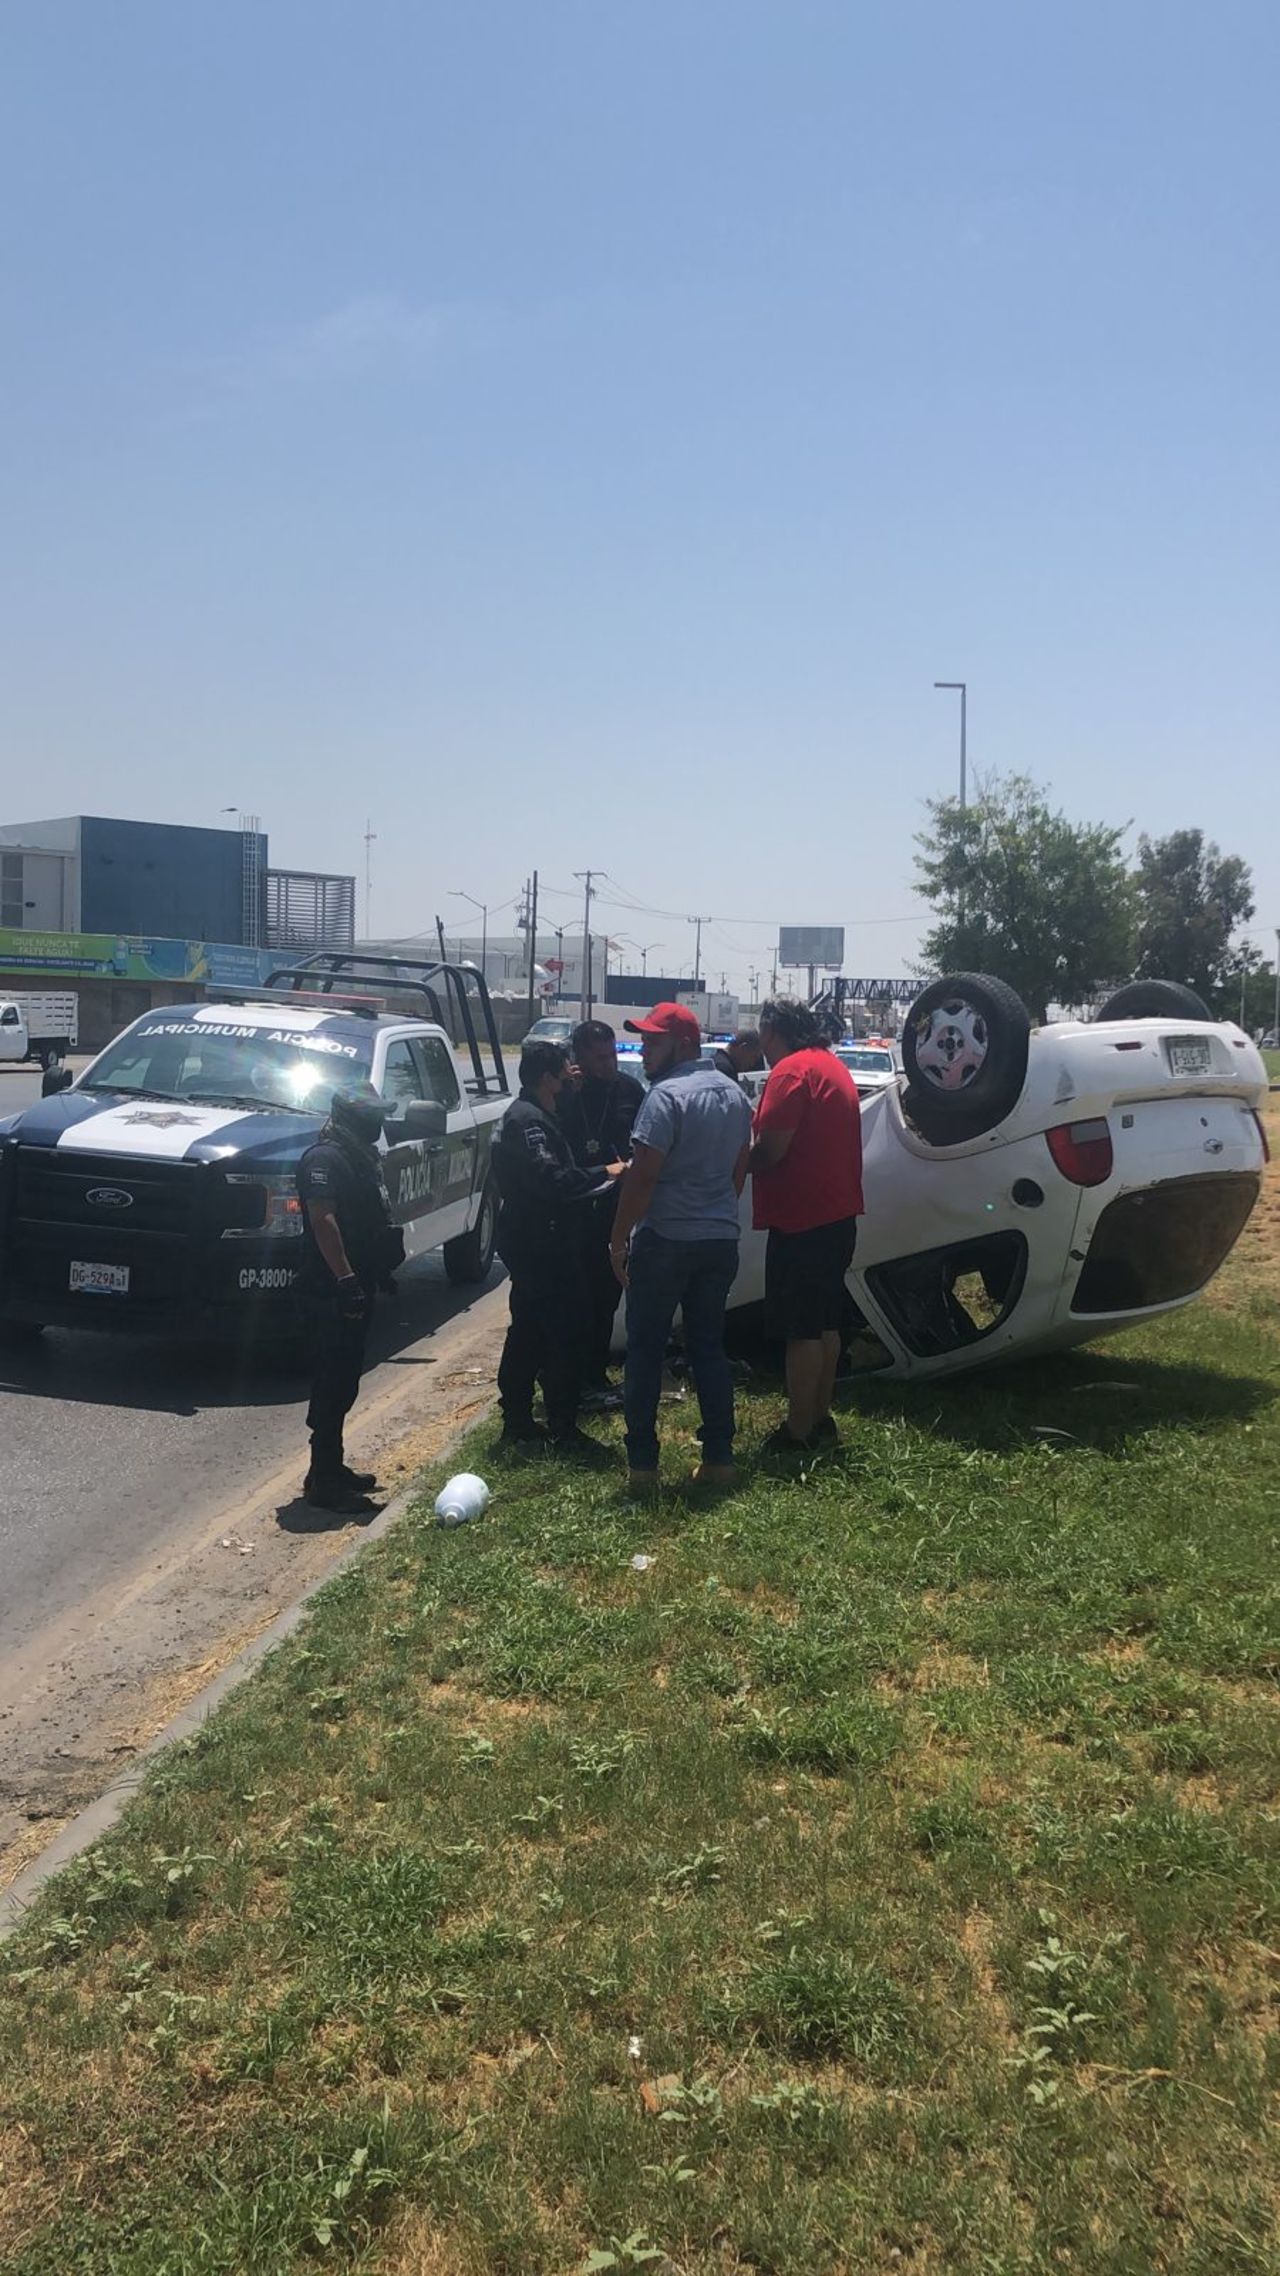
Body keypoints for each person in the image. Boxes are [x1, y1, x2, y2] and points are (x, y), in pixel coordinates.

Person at [609, 1002, 753, 1492]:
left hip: (666, 1239)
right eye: (644, 1041)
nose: (645, 1050)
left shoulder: (665, 1098)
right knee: (708, 1348)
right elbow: (739, 1168)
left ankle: (643, 1470)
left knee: (645, 1353)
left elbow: (644, 1175)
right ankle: (719, 1459)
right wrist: (715, 1211)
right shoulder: (735, 1095)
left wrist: (617, 1238)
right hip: (718, 1240)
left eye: (654, 1041)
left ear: (684, 1044)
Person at [492, 1039, 622, 1451]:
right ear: (547, 1078)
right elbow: (553, 1180)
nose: (571, 1080)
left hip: (536, 1238)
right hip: (542, 1242)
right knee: (566, 1331)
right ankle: (562, 1425)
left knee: (529, 1329)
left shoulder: (533, 1115)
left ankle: (519, 1419)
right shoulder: (528, 1123)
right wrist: (607, 1172)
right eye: (566, 1075)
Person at [749, 997, 863, 1454]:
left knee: (802, 1330)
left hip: (802, 1220)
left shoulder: (790, 1072)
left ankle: (797, 1431)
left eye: (762, 1032)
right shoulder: (831, 1066)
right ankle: (819, 1417)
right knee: (826, 1324)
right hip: (838, 1215)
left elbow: (771, 1150)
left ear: (774, 1030)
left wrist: (732, 1161)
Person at [297, 1080, 405, 1513]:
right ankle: (323, 1480)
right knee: (332, 1382)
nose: (378, 1121)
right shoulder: (324, 1158)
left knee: (345, 1381)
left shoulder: (358, 1155)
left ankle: (331, 1467)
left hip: (357, 1283)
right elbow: (323, 1220)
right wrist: (345, 1280)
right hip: (330, 1291)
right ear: (350, 1115)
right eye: (372, 1114)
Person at [557, 1019, 645, 1406]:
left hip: (615, 1205)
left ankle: (595, 1371)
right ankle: (568, 1375)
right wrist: (568, 1096)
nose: (609, 1065)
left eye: (612, 1055)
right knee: (576, 1296)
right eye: (599, 1058)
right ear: (578, 1058)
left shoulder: (628, 1089)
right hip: (573, 1208)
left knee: (608, 1291)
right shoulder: (565, 1092)